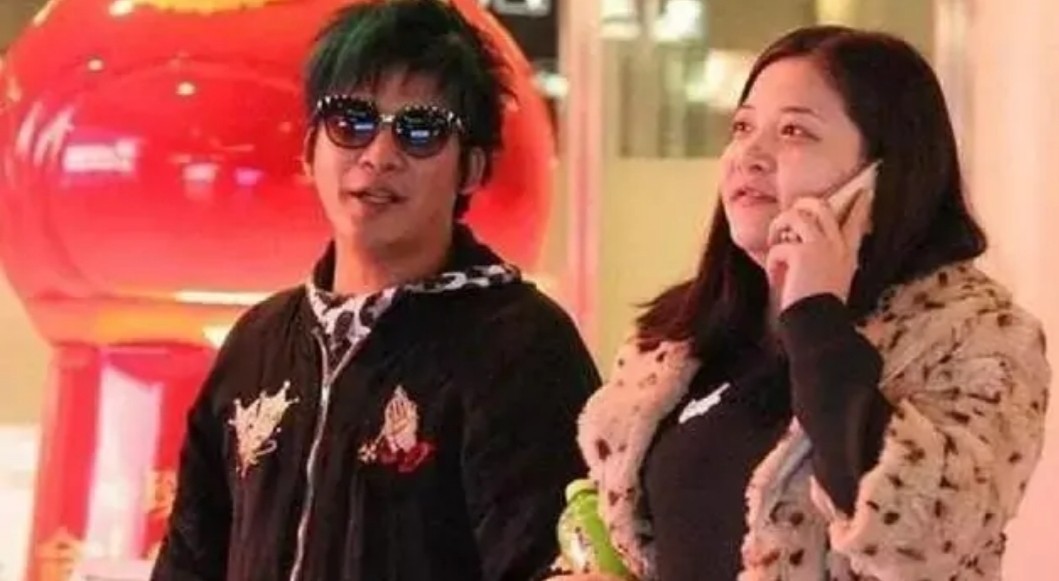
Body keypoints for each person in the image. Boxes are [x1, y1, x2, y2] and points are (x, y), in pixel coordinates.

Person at [551, 26, 1050, 581]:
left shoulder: (977, 336)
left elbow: (922, 536)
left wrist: (815, 316)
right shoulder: (679, 338)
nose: (749, 155)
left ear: (882, 174)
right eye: (742, 127)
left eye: (794, 131)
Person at [151, 1, 600, 580]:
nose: (379, 156)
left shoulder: (523, 347)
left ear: (470, 168)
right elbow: (189, 561)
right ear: (310, 149)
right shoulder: (256, 345)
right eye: (351, 122)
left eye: (420, 131)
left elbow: (552, 565)